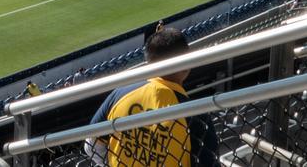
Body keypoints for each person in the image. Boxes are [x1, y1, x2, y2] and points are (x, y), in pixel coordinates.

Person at [85, 27, 217, 167]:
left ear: (148, 62)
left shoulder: (119, 95)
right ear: (186, 61)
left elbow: (91, 144)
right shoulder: (197, 116)